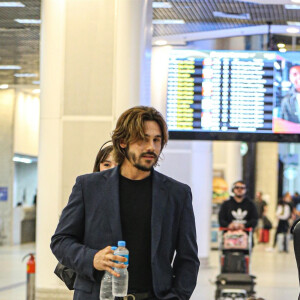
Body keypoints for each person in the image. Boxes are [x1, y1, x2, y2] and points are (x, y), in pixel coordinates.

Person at [51, 106, 200, 300]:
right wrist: (92, 258)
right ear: (122, 142)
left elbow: (188, 259)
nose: (151, 147)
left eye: (157, 140)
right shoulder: (88, 187)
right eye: (143, 139)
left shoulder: (177, 194)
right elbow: (61, 241)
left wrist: (178, 296)